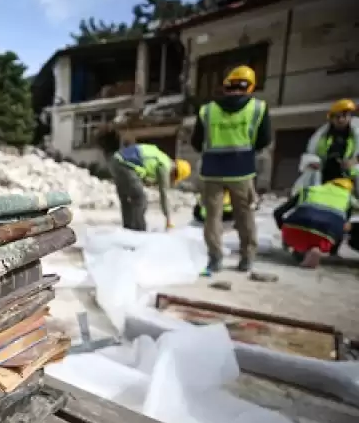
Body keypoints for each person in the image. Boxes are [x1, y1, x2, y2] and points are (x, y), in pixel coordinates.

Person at [190, 65, 271, 273]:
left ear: (225, 87)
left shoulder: (207, 110)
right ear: (250, 87)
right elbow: (264, 139)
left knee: (212, 217)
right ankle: (246, 258)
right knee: (244, 215)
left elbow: (196, 141)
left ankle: (215, 258)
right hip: (241, 170)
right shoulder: (258, 108)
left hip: (212, 170)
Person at [108, 136, 192, 231]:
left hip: (115, 161)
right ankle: (139, 231)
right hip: (125, 165)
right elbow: (163, 193)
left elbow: (142, 166)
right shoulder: (165, 166)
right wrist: (168, 219)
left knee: (126, 199)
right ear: (176, 174)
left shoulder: (160, 158)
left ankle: (128, 231)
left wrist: (146, 180)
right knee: (140, 199)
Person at [273, 178, 354, 269]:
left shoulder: (309, 190)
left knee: (298, 230)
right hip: (324, 237)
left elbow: (277, 212)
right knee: (345, 225)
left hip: (294, 231)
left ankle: (294, 245)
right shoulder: (348, 199)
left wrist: (283, 228)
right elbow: (344, 226)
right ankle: (321, 249)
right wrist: (333, 250)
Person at [303, 99, 358, 184]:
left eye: (344, 116)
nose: (341, 120)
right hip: (326, 178)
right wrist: (313, 162)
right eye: (337, 117)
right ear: (331, 119)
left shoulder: (356, 133)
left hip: (350, 179)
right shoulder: (321, 136)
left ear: (349, 116)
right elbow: (311, 153)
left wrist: (355, 160)